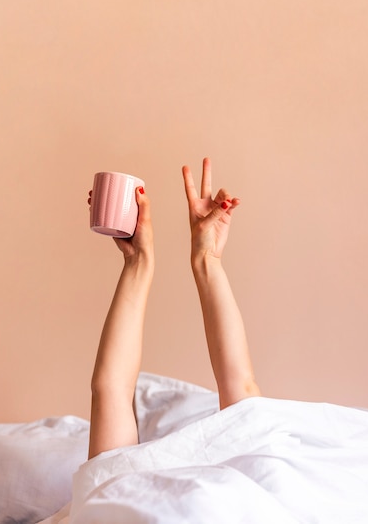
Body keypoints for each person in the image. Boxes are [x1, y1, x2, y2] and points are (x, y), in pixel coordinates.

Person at [86, 157, 261, 460]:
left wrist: (139, 261)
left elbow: (110, 390)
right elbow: (241, 391)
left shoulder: (115, 492)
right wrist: (206, 259)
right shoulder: (254, 482)